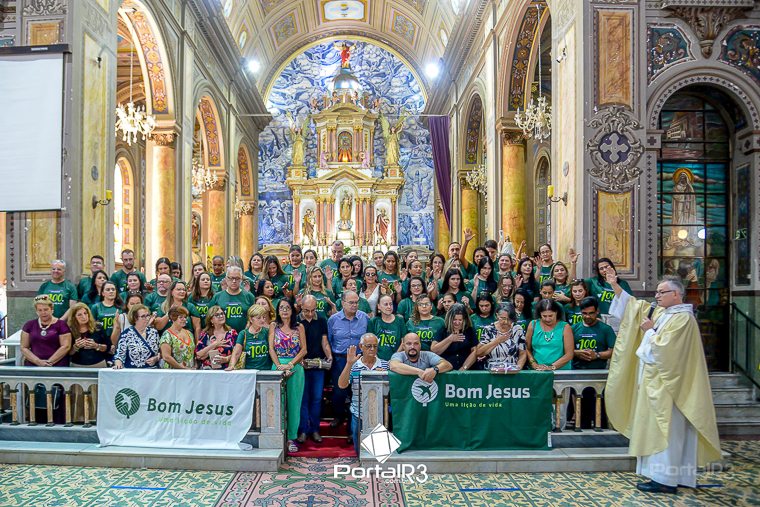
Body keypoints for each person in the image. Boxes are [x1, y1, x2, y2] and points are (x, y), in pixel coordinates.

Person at [605, 273, 720, 494]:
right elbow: (634, 307)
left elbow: (665, 350)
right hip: (659, 383)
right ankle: (675, 476)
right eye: (657, 292)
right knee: (664, 430)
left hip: (670, 387)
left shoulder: (682, 319)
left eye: (661, 292)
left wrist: (649, 331)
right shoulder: (667, 314)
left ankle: (665, 479)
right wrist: (614, 286)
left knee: (666, 431)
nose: (656, 296)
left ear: (676, 294)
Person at [525, 299, 574, 429]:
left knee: (559, 409)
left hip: (560, 373)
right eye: (544, 316)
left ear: (556, 312)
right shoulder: (533, 325)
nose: (547, 319)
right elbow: (527, 349)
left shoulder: (565, 327)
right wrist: (534, 364)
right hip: (538, 373)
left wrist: (552, 367)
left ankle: (558, 432)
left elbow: (569, 354)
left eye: (550, 316)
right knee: (539, 407)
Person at [570, 297, 616, 429]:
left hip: (598, 375)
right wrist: (577, 353)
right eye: (584, 313)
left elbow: (614, 351)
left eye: (591, 313)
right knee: (581, 415)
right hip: (578, 374)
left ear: (597, 312)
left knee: (599, 414)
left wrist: (597, 355)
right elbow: (566, 350)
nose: (587, 316)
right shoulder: (574, 328)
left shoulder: (606, 329)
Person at [338, 334, 388, 454]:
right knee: (360, 452)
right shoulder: (354, 366)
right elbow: (342, 385)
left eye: (375, 346)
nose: (372, 349)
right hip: (358, 413)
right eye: (368, 346)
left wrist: (385, 375)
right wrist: (349, 364)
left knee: (379, 453)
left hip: (379, 414)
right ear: (361, 346)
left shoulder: (385, 365)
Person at [327, 290, 369, 429]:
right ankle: (339, 416)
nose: (354, 305)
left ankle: (354, 424)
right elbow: (329, 340)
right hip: (340, 360)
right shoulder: (333, 320)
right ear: (343, 303)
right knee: (339, 391)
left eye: (356, 302)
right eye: (351, 302)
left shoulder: (364, 318)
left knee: (356, 391)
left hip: (359, 359)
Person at [269, 299, 307, 453]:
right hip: (277, 366)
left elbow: (304, 350)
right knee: (277, 402)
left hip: (295, 367)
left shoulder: (299, 327)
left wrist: (290, 364)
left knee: (294, 403)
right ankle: (278, 436)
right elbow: (271, 349)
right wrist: (279, 366)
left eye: (287, 308)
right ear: (278, 311)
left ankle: (291, 437)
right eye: (281, 308)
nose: (284, 310)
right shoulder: (273, 326)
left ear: (292, 310)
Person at [297, 295, 331, 444]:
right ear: (301, 307)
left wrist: (329, 355)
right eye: (306, 311)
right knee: (303, 398)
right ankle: (303, 429)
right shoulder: (296, 321)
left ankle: (315, 429)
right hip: (301, 365)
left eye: (312, 310)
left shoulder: (322, 320)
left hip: (318, 364)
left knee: (317, 398)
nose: (310, 314)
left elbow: (325, 341)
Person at [67, 302, 109, 421]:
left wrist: (96, 346)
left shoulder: (98, 327)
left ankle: (98, 419)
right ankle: (79, 420)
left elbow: (108, 347)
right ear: (74, 317)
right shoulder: (69, 330)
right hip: (78, 366)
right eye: (79, 315)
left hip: (97, 365)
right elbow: (68, 353)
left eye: (85, 313)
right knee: (78, 394)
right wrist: (75, 347)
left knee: (97, 394)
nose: (83, 317)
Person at [21, 295, 72, 367]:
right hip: (33, 366)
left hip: (57, 366)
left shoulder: (62, 325)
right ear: (36, 311)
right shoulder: (29, 325)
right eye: (40, 310)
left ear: (52, 309)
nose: (43, 312)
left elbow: (66, 346)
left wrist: (48, 362)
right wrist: (38, 362)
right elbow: (24, 347)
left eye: (46, 309)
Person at [476, 303, 527, 371]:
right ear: (497, 315)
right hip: (492, 371)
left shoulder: (518, 329)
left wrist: (517, 368)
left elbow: (523, 354)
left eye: (509, 319)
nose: (506, 322)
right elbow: (479, 352)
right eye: (503, 318)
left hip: (512, 371)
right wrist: (497, 341)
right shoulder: (489, 330)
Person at [585, 257, 632, 329]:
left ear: (612, 267)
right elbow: (575, 284)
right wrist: (573, 264)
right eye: (601, 268)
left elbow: (630, 301)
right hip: (600, 320)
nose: (604, 270)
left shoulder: (623, 284)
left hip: (618, 321)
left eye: (606, 267)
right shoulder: (592, 282)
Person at [431, 303, 478, 370]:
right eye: (454, 320)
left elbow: (474, 351)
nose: (457, 323)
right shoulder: (443, 330)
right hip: (447, 370)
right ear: (450, 319)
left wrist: (464, 368)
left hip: (466, 370)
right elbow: (434, 350)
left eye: (460, 320)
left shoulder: (470, 331)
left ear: (464, 319)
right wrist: (450, 339)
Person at [113, 304, 161, 369]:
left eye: (148, 315)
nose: (147, 318)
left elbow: (160, 353)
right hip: (133, 372)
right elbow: (119, 356)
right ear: (135, 318)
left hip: (153, 370)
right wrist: (118, 365)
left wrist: (156, 358)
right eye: (143, 316)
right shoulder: (126, 335)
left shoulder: (154, 332)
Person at [209, 266, 256, 332]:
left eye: (237, 278)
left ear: (241, 279)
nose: (234, 281)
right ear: (226, 279)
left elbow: (255, 317)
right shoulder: (217, 296)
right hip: (223, 335)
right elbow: (210, 317)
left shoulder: (249, 296)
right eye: (231, 278)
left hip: (244, 334)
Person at [228, 304, 272, 371]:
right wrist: (232, 366)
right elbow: (237, 352)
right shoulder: (243, 333)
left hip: (266, 370)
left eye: (264, 317)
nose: (262, 320)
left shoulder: (267, 332)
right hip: (249, 371)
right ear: (251, 319)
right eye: (259, 318)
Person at [195, 304, 237, 370]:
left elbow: (238, 353)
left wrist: (226, 359)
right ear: (211, 320)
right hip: (207, 370)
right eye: (217, 315)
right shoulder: (205, 334)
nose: (221, 316)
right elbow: (199, 355)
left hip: (226, 370)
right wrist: (214, 345)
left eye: (222, 314)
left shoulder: (232, 333)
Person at [370, 294, 406, 360]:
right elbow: (369, 343)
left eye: (391, 304)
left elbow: (403, 341)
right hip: (376, 359)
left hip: (396, 360)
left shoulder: (400, 320)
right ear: (379, 306)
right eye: (386, 304)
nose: (389, 307)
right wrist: (376, 359)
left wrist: (394, 358)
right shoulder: (373, 321)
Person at [89, 280, 122, 348]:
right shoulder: (95, 307)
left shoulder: (121, 308)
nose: (111, 291)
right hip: (101, 341)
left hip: (118, 340)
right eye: (108, 289)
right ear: (103, 293)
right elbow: (92, 326)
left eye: (113, 289)